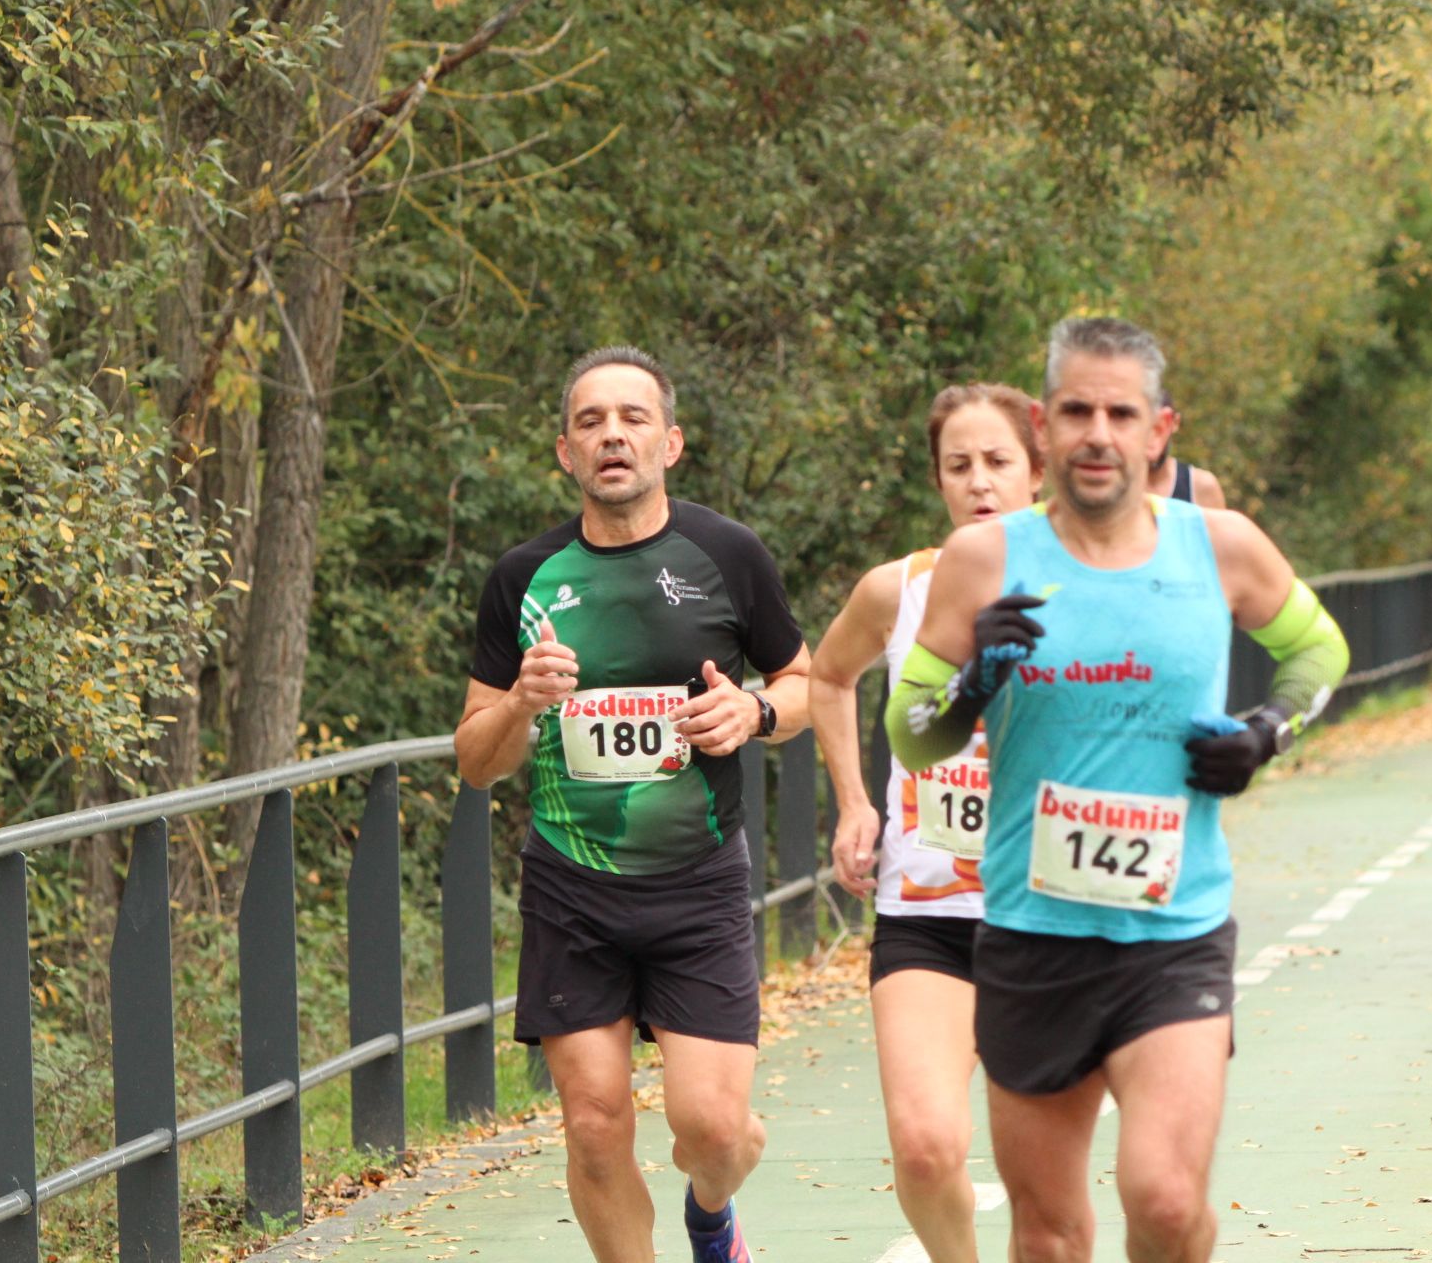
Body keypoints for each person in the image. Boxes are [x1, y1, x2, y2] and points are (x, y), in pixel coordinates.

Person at [884, 318, 1349, 1262]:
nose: (1098, 432)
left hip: (1172, 936)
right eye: (1077, 410)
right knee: (1050, 1236)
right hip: (1031, 936)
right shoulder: (984, 563)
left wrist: (1267, 731)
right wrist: (974, 681)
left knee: (1168, 1202)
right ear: (1043, 428)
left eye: (1121, 412)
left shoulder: (1219, 547)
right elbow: (909, 734)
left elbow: (1319, 650)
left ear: (1158, 430)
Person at [454, 346, 811, 1263]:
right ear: (566, 454)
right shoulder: (522, 579)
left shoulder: (728, 554)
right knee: (595, 1124)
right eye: (590, 421)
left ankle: (711, 1215)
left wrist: (756, 709)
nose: (613, 433)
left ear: (671, 442)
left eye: (633, 418)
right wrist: (523, 704)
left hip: (697, 881)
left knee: (715, 1134)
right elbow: (473, 761)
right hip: (573, 887)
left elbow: (807, 683)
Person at [808, 384, 1044, 1263]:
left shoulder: (1093, 586)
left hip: (1054, 918)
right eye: (959, 466)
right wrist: (856, 801)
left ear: (1037, 469)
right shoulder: (896, 591)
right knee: (925, 1147)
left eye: (998, 462)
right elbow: (828, 679)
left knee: (1042, 1177)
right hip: (927, 917)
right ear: (938, 478)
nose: (979, 482)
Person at [1144, 390, 1228, 509]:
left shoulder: (1200, 487)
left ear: (1174, 422)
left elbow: (1219, 527)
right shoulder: (1119, 488)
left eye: (1158, 428)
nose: (1153, 438)